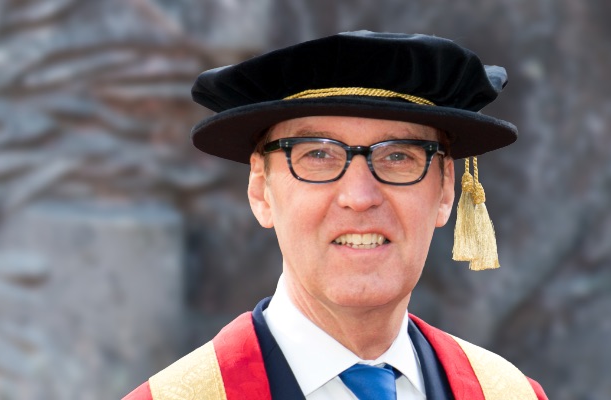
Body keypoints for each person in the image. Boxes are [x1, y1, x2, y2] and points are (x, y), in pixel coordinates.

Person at [124, 31, 548, 399]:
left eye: (398, 155)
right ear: (261, 189)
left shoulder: (508, 394)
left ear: (444, 190)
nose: (360, 197)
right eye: (319, 155)